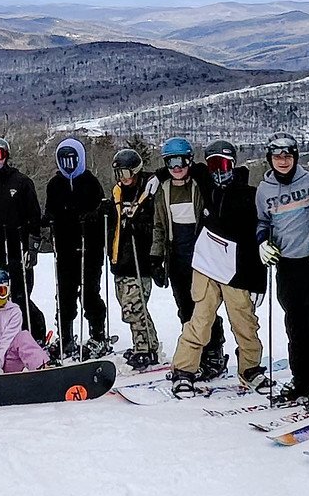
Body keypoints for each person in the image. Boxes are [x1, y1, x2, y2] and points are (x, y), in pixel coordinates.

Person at [169, 140, 268, 393]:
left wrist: (259, 281)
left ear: (233, 165)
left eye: (224, 164)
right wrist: (158, 175)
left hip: (237, 270)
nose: (218, 170)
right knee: (200, 320)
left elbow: (256, 239)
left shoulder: (249, 195)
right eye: (213, 164)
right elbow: (179, 167)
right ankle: (184, 369)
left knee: (244, 322)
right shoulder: (206, 183)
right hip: (206, 264)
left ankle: (250, 368)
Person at [255, 131, 309, 408]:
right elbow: (262, 222)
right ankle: (302, 378)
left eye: (287, 155)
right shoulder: (264, 190)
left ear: (295, 157)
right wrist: (262, 242)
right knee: (295, 325)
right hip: (287, 264)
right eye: (277, 156)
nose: (283, 161)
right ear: (270, 159)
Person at [152, 136, 225, 376]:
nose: (176, 168)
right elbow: (159, 226)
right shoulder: (163, 189)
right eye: (171, 163)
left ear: (189, 161)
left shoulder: (198, 185)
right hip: (177, 258)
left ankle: (213, 350)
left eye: (181, 162)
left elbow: (207, 182)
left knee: (203, 308)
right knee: (185, 308)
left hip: (202, 257)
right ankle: (195, 352)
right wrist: (156, 257)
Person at [0, 136, 46, 343]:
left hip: (19, 250)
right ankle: (1, 335)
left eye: (0, 154)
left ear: (7, 156)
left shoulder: (22, 182)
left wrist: (32, 248)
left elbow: (35, 217)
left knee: (20, 297)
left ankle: (35, 333)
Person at [45, 136, 111, 359]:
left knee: (90, 292)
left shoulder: (90, 182)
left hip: (89, 249)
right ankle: (65, 336)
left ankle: (97, 334)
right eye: (64, 159)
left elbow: (102, 212)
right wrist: (49, 220)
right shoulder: (55, 185)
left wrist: (94, 218)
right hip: (64, 248)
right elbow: (50, 210)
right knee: (64, 293)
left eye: (73, 159)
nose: (68, 164)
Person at [104, 147, 162, 369]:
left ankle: (144, 349)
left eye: (127, 174)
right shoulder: (117, 194)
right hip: (121, 260)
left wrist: (142, 227)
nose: (122, 179)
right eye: (119, 174)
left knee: (134, 308)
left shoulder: (148, 191)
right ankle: (148, 343)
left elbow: (156, 224)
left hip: (140, 261)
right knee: (129, 307)